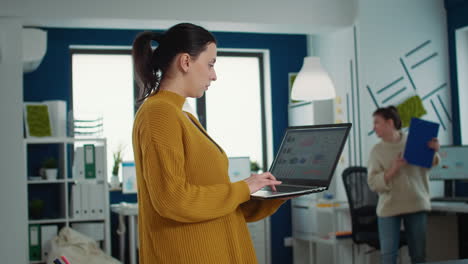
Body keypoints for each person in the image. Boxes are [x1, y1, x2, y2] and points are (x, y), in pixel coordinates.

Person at [131, 23, 286, 264]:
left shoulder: (182, 115)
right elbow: (173, 201)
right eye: (211, 64)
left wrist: (276, 193)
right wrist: (244, 186)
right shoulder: (159, 112)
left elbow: (218, 204)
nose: (214, 75)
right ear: (185, 62)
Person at [367, 106, 440, 264]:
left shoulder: (415, 140)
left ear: (390, 122)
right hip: (389, 206)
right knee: (388, 257)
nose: (374, 128)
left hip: (416, 202)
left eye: (377, 123)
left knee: (418, 256)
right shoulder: (376, 151)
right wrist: (392, 170)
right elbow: (373, 183)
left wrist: (433, 151)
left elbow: (429, 165)